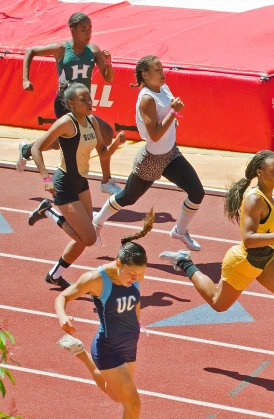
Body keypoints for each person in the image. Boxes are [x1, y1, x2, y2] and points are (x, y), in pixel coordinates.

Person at [159, 150, 274, 377]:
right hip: (244, 261)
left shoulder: (266, 194)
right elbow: (248, 238)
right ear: (260, 172)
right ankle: (185, 262)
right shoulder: (255, 198)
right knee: (218, 305)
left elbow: (264, 218)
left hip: (266, 259)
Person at [55, 210, 159, 419]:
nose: (135, 279)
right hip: (108, 346)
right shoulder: (96, 279)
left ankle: (80, 356)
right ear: (118, 263)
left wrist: (138, 325)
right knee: (134, 403)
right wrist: (63, 315)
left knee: (119, 398)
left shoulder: (134, 275)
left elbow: (134, 302)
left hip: (130, 343)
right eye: (131, 274)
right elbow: (63, 296)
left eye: (140, 274)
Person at [91, 55, 204, 251]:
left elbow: (166, 119)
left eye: (162, 69)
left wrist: (172, 116)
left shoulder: (163, 88)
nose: (163, 73)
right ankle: (97, 222)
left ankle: (180, 230)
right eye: (157, 70)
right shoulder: (146, 99)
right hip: (151, 159)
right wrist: (174, 113)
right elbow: (155, 134)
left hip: (170, 155)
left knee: (197, 192)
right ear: (145, 74)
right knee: (128, 197)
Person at [27, 83, 126, 289]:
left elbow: (103, 153)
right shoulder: (66, 123)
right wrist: (46, 179)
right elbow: (36, 148)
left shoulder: (91, 121)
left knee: (84, 236)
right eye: (83, 100)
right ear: (71, 104)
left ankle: (55, 274)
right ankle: (48, 212)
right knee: (89, 238)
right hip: (63, 183)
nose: (89, 102)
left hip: (81, 182)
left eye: (89, 98)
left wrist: (116, 144)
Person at [16, 11, 122, 196]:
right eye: (83, 29)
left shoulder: (94, 51)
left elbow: (109, 78)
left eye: (90, 29)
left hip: (83, 104)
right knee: (75, 140)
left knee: (101, 134)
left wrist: (109, 63)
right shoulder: (62, 50)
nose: (88, 33)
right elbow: (30, 51)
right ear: (72, 30)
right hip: (66, 104)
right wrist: (26, 78)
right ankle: (103, 180)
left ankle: (28, 149)